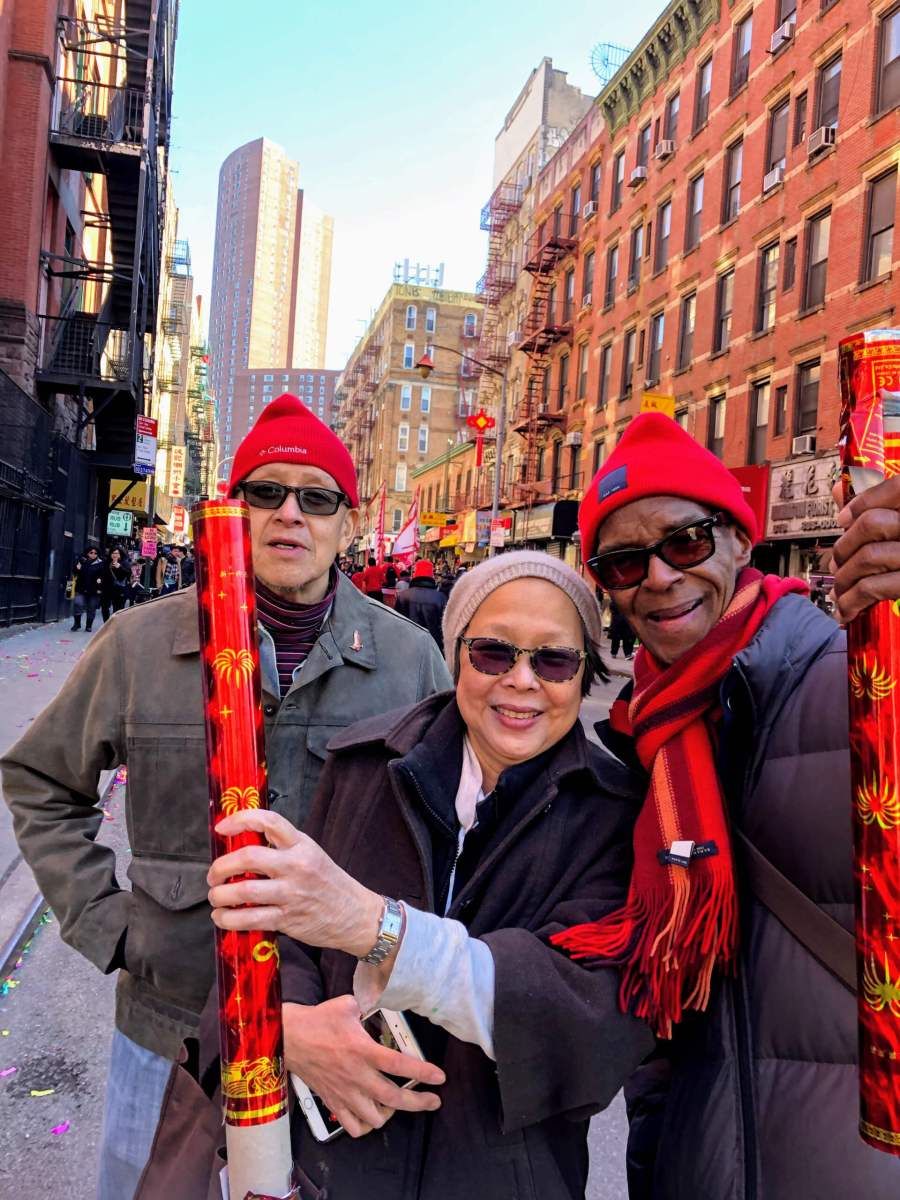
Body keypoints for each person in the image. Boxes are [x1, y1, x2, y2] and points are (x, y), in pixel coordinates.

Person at [1, 393, 451, 1200]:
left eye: (316, 498)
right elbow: (40, 781)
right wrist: (111, 928)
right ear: (233, 510)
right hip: (170, 1028)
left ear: (347, 523)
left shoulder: (409, 664)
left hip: (337, 1036)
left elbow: (456, 831)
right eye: (266, 492)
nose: (290, 514)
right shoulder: (140, 645)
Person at [141, 551, 654, 1199]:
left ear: (583, 675)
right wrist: (285, 1026)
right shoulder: (365, 765)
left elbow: (594, 1022)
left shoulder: (616, 815)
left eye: (553, 660)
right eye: (493, 653)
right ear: (456, 654)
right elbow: (281, 935)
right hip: (329, 1171)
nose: (522, 681)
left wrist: (378, 930)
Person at [564, 413, 900, 1199]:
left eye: (685, 542)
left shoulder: (859, 683)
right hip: (696, 1167)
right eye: (622, 562)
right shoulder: (639, 738)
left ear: (741, 542)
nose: (658, 577)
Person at [395, 558, 448, 651]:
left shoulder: (403, 596)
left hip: (408, 644)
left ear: (415, 575)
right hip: (433, 647)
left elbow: (396, 624)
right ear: (432, 576)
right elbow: (445, 627)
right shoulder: (441, 598)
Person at [71, 546, 104, 631]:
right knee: (78, 604)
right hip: (81, 588)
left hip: (94, 589)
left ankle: (88, 625)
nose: (93, 554)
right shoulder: (82, 560)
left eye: (95, 553)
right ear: (87, 553)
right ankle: (77, 624)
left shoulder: (101, 563)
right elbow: (75, 571)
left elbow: (103, 575)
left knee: (91, 607)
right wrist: (79, 565)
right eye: (91, 552)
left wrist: (100, 582)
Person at [101, 547, 132, 622]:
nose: (115, 555)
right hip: (107, 589)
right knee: (104, 607)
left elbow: (128, 574)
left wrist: (120, 567)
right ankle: (106, 623)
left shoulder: (124, 563)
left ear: (120, 554)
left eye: (117, 553)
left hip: (119, 589)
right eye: (113, 553)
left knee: (117, 609)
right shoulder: (106, 562)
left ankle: (114, 624)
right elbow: (102, 573)